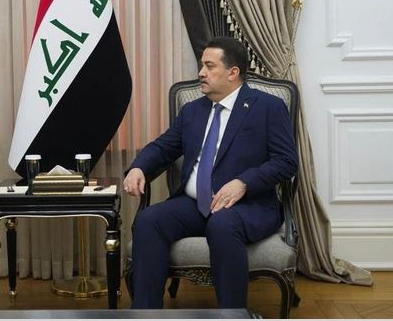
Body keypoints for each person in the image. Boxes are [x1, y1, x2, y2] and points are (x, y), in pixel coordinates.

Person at [123, 36, 298, 309]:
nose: (201, 73)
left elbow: (286, 161)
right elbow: (163, 147)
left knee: (222, 224)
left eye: (209, 66)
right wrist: (139, 167)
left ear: (233, 72)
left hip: (248, 206)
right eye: (201, 65)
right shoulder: (192, 111)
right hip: (195, 204)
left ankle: (232, 314)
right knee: (149, 220)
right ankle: (146, 314)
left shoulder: (267, 107)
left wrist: (243, 182)